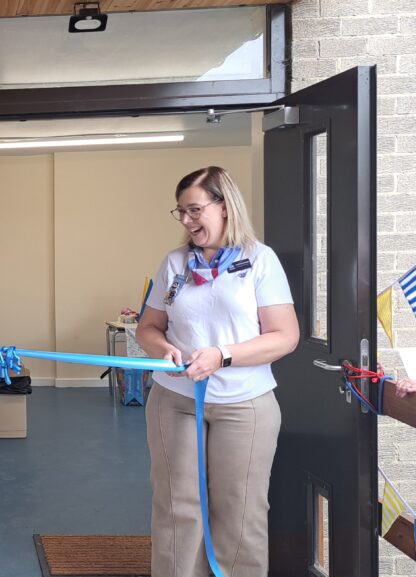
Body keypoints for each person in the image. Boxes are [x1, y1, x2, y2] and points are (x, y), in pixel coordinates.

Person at [136, 166, 300, 577]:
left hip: (244, 404)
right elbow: (148, 328)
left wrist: (222, 355)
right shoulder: (175, 263)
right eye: (181, 212)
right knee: (177, 506)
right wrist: (164, 349)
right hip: (175, 400)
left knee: (240, 510)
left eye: (195, 210)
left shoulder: (260, 260)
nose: (187, 220)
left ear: (224, 206)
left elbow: (285, 336)